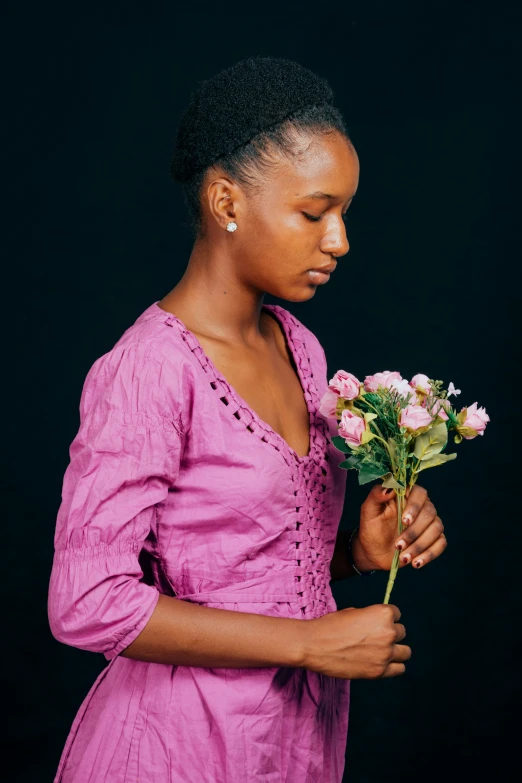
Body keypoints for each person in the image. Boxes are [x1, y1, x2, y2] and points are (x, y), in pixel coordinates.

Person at [48, 56, 447, 783]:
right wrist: (308, 645)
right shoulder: (150, 368)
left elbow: (243, 569)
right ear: (227, 201)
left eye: (344, 214)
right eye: (313, 211)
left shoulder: (301, 347)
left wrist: (358, 551)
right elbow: (86, 602)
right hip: (175, 749)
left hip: (293, 744)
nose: (340, 241)